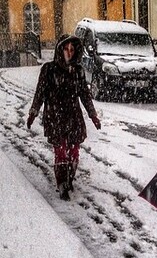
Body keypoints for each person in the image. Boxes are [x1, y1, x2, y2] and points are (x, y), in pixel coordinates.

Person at [27, 34, 101, 201]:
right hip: (55, 116)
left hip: (74, 116)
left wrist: (93, 115)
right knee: (60, 151)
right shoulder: (48, 69)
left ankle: (69, 178)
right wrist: (33, 112)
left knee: (74, 151)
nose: (69, 52)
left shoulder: (78, 71)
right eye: (66, 49)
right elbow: (39, 94)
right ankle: (62, 184)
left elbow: (85, 95)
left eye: (72, 50)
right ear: (60, 50)